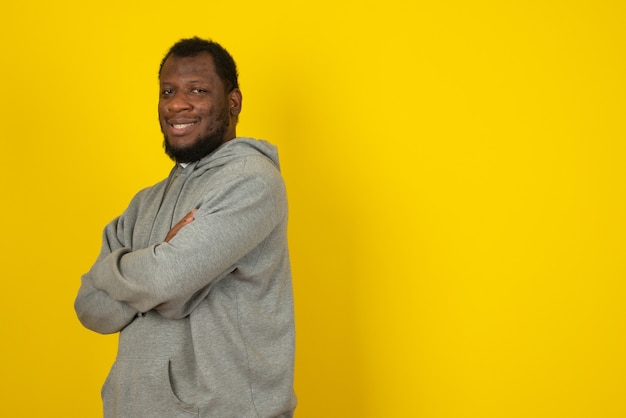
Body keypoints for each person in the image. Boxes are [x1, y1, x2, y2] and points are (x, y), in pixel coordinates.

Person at [74, 37, 296, 418]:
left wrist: (122, 273)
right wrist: (157, 258)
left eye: (197, 90)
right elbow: (91, 308)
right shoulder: (143, 204)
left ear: (233, 102)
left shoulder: (251, 181)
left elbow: (168, 282)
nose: (177, 103)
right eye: (168, 91)